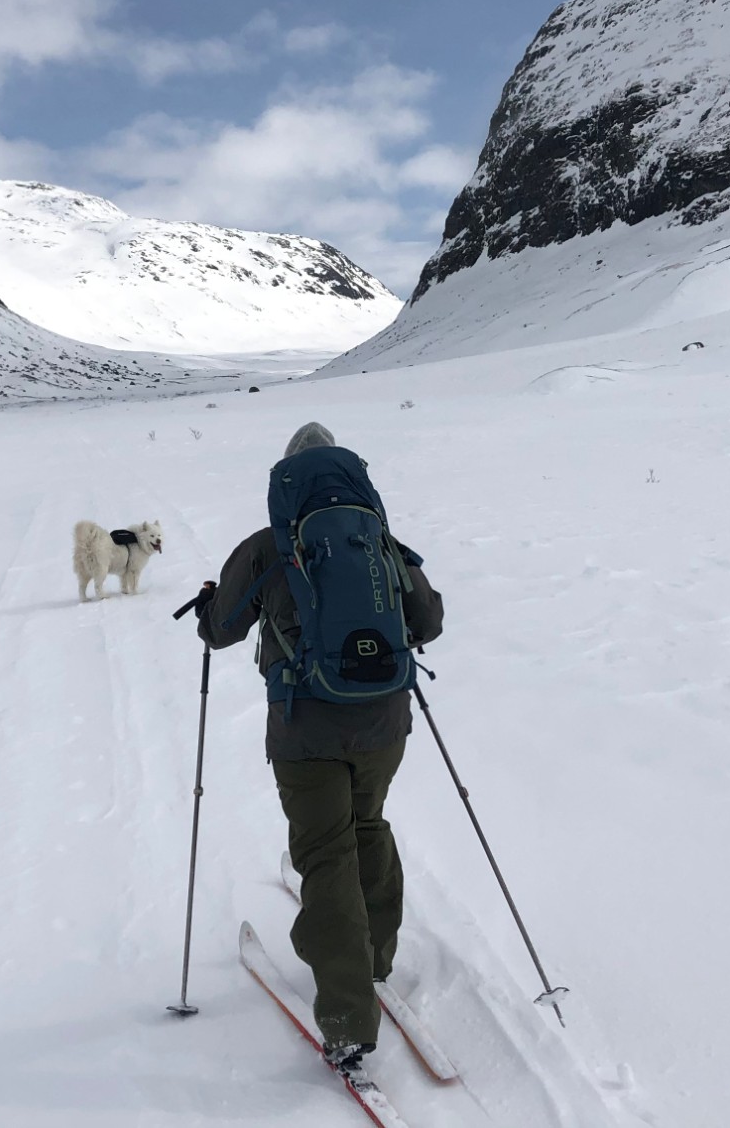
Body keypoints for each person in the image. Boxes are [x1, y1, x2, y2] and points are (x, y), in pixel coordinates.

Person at [194, 421, 444, 1078]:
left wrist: (209, 607)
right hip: (385, 723)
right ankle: (376, 959)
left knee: (325, 852)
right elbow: (430, 621)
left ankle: (346, 1020)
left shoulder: (268, 548)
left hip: (306, 730)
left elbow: (219, 632)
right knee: (368, 825)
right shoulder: (377, 542)